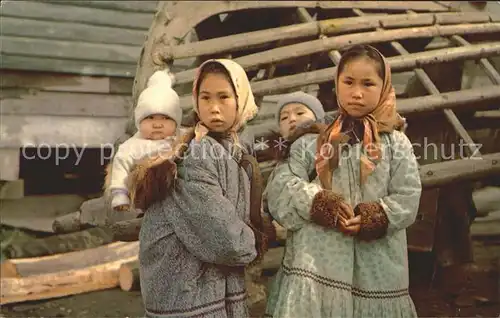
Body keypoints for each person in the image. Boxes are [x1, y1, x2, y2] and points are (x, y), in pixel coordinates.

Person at [264, 44, 422, 317]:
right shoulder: (313, 140)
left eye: (368, 83)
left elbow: (408, 196)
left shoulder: (397, 143)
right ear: (336, 85)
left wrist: (376, 215)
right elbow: (281, 187)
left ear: (384, 86)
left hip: (378, 267)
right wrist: (318, 202)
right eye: (348, 82)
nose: (357, 92)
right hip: (317, 265)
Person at [129, 59, 271, 317]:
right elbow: (224, 239)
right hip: (185, 288)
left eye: (224, 97)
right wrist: (256, 241)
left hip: (205, 285)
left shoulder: (229, 148)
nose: (214, 108)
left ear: (242, 100)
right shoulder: (197, 154)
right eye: (205, 98)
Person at [106, 69, 182, 211]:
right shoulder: (133, 146)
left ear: (176, 121)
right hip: (149, 189)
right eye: (150, 118)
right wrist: (120, 194)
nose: (157, 124)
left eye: (165, 118)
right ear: (139, 122)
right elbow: (120, 166)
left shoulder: (181, 136)